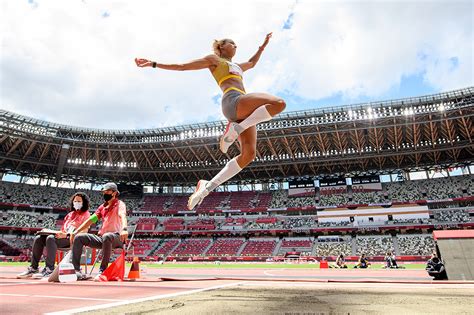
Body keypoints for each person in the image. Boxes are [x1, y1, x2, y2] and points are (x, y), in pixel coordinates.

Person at [135, 33, 286, 210]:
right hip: (233, 100)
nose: (236, 46)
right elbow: (183, 67)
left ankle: (206, 187)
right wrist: (154, 64)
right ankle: (237, 128)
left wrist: (262, 47)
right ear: (221, 47)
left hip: (244, 110)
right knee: (279, 103)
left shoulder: (237, 66)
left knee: (249, 155)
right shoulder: (214, 59)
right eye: (232, 43)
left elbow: (252, 63)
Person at [17, 192, 91, 279]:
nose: (76, 203)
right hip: (63, 238)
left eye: (79, 201)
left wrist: (67, 234)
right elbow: (63, 230)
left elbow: (84, 232)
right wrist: (53, 232)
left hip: (73, 240)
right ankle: (34, 268)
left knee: (51, 238)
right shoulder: (69, 215)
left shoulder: (86, 214)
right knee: (39, 238)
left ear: (84, 203)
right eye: (75, 201)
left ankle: (49, 269)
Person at [69, 183, 128, 280]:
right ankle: (76, 270)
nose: (105, 193)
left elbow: (123, 216)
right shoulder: (102, 207)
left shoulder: (120, 204)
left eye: (107, 191)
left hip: (117, 238)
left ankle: (103, 271)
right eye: (104, 192)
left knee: (107, 236)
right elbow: (90, 220)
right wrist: (76, 231)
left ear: (114, 193)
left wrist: (124, 229)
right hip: (102, 238)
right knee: (79, 237)